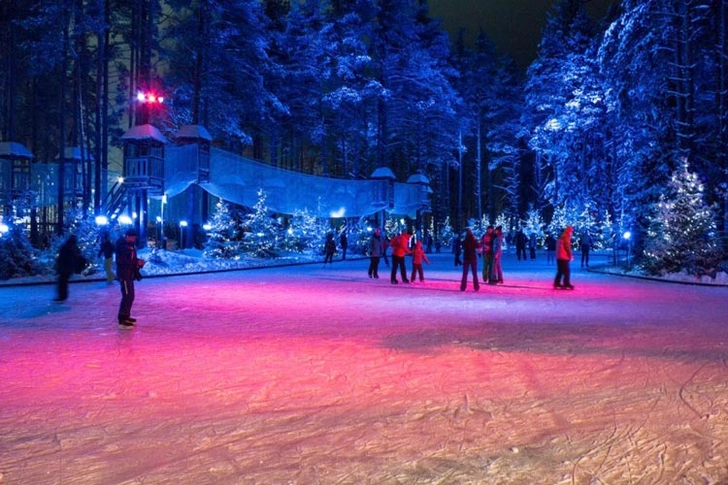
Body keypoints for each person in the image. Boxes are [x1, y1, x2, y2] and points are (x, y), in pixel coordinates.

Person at [115, 228, 145, 327]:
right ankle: (122, 318)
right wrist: (136, 262)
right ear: (127, 236)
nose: (133, 239)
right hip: (124, 275)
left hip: (129, 275)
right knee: (127, 296)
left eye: (134, 238)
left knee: (131, 296)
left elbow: (131, 259)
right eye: (131, 237)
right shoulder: (122, 246)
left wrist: (138, 263)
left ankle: (126, 315)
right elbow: (123, 261)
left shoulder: (130, 247)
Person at [54, 234, 82, 302]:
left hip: (65, 266)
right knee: (63, 281)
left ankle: (62, 296)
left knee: (62, 281)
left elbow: (62, 257)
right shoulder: (74, 248)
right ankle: (63, 295)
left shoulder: (66, 247)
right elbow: (77, 257)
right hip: (69, 267)